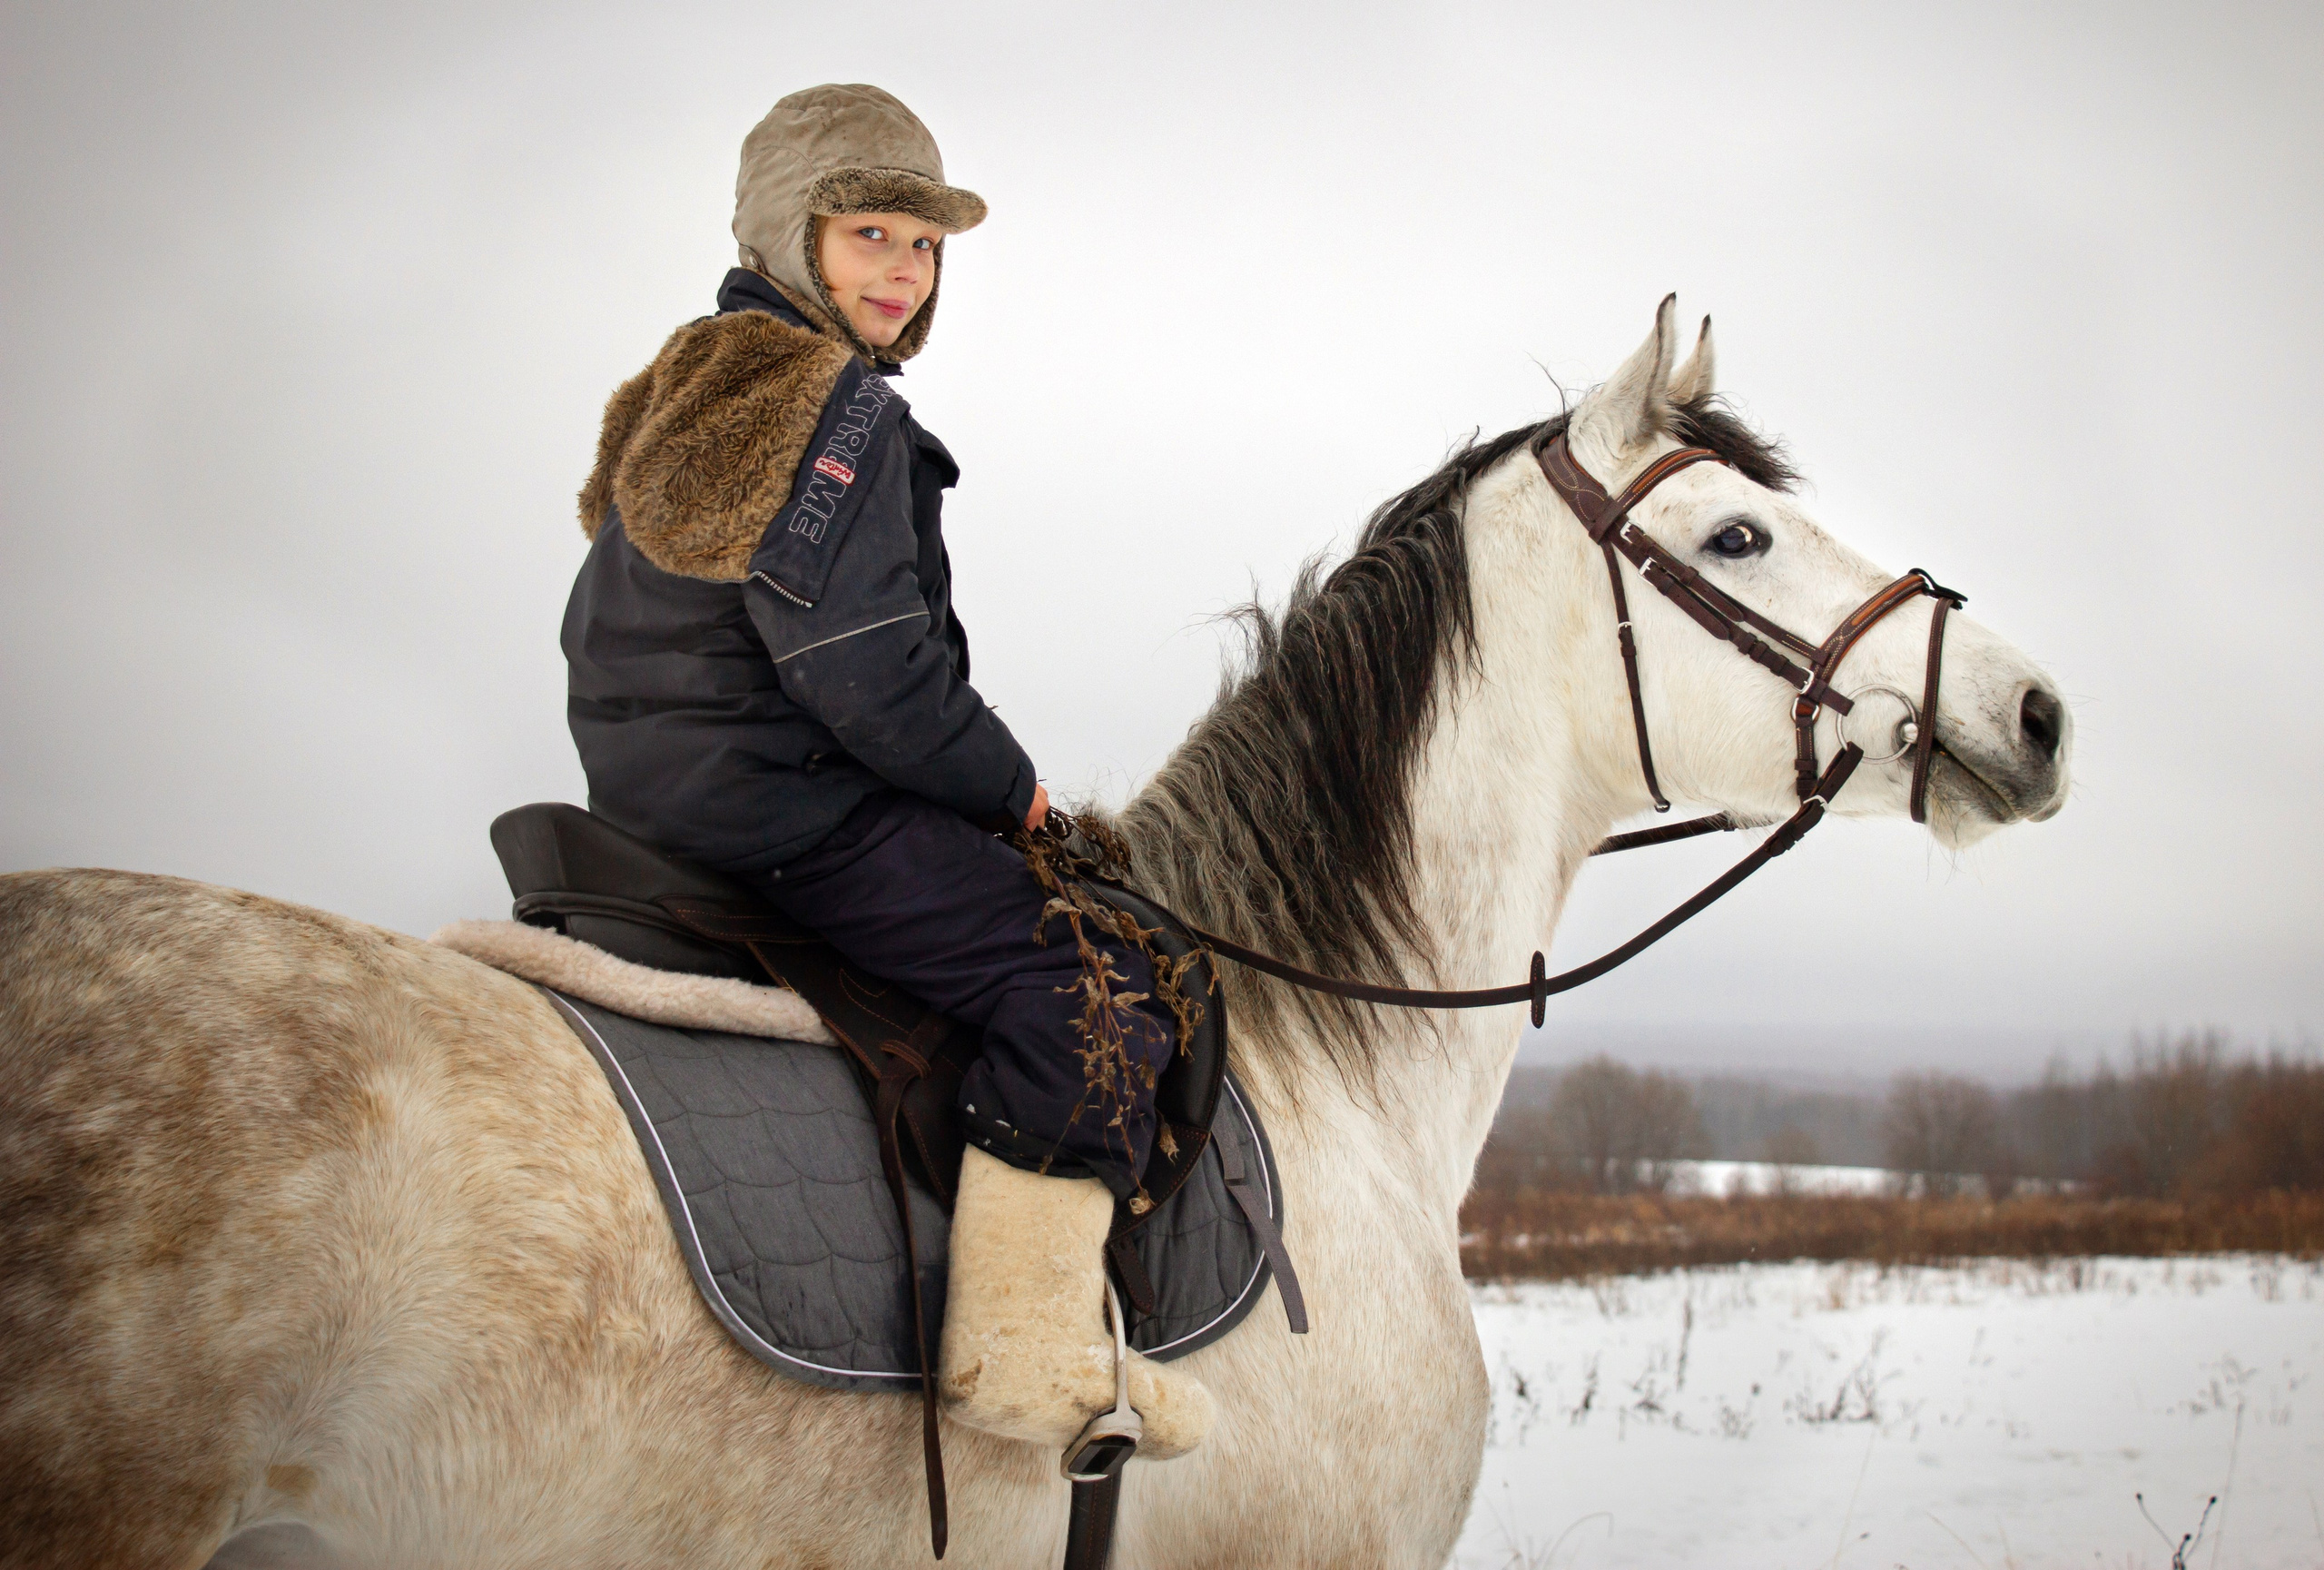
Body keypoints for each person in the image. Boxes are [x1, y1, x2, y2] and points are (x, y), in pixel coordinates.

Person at [560, 84, 1211, 1458]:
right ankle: (1025, 1352)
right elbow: (872, 674)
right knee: (1091, 976)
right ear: (794, 241)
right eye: (870, 236)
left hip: (659, 800)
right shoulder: (834, 411)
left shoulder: (688, 385)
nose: (904, 274)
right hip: (795, 812)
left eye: (924, 248)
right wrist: (1020, 797)